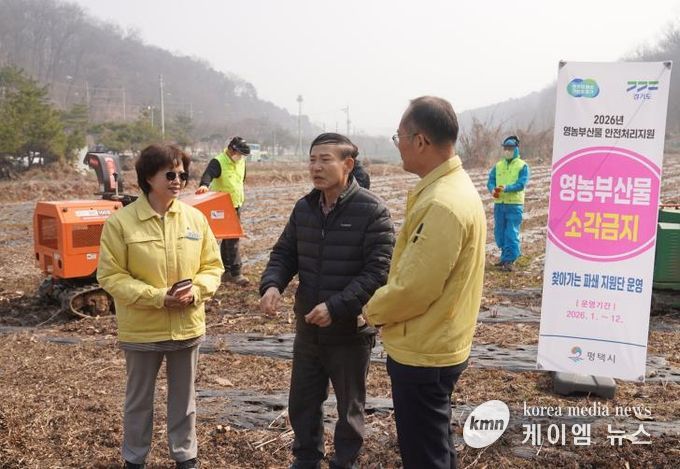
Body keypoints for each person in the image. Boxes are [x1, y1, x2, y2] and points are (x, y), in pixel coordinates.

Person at [259, 132, 394, 469]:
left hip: (349, 331)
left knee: (350, 407)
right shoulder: (305, 208)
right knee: (303, 401)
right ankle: (306, 459)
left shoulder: (372, 210)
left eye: (324, 160)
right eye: (312, 160)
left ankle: (344, 462)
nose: (316, 167)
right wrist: (272, 284)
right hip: (309, 329)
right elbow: (285, 253)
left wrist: (336, 307)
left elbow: (378, 271)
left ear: (347, 164)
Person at [365, 96, 486, 469]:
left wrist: (370, 311)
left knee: (424, 455)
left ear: (420, 141)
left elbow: (414, 289)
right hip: (440, 340)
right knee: (436, 445)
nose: (398, 144)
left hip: (424, 350)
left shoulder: (441, 203)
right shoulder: (452, 188)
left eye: (398, 137)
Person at [97, 144, 223, 469]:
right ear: (149, 177)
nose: (178, 180)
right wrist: (157, 297)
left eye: (182, 174)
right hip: (142, 330)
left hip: (186, 326)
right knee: (138, 401)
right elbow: (111, 276)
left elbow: (213, 267)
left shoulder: (195, 219)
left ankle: (186, 457)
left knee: (184, 400)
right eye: (170, 174)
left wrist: (196, 291)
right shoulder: (121, 223)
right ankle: (134, 459)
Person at [196, 136, 251, 285]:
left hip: (236, 204)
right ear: (232, 150)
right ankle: (236, 273)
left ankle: (226, 272)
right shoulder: (218, 161)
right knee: (232, 238)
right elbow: (208, 174)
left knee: (229, 238)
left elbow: (241, 180)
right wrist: (204, 185)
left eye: (243, 156)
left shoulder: (241, 162)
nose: (241, 157)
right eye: (239, 154)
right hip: (222, 206)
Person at [486, 135, 530, 271]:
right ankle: (504, 257)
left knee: (511, 233)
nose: (507, 151)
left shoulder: (522, 166)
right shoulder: (498, 165)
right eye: (505, 148)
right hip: (500, 204)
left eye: (510, 148)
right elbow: (491, 180)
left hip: (514, 205)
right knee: (500, 233)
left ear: (516, 149)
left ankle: (510, 260)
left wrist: (506, 188)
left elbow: (521, 184)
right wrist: (492, 189)